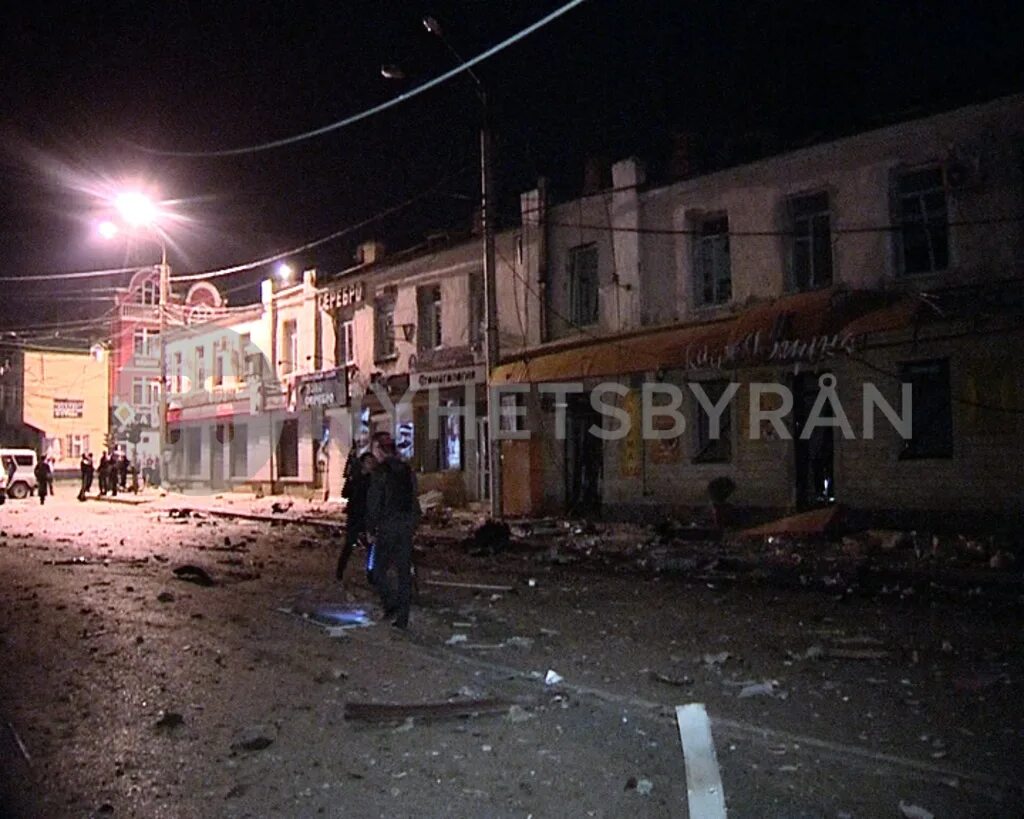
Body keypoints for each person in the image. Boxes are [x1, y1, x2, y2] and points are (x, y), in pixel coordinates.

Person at [365, 431, 421, 629]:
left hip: (388, 526)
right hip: (405, 526)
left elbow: (374, 503)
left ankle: (392, 605)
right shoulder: (407, 470)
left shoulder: (380, 473)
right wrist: (413, 524)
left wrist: (370, 529)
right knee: (403, 572)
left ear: (380, 450)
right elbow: (414, 499)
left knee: (378, 571)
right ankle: (402, 618)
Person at [337, 451, 376, 584]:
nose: (371, 465)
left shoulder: (374, 480)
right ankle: (340, 571)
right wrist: (350, 480)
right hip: (355, 516)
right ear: (363, 464)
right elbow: (345, 493)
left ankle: (371, 572)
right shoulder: (356, 477)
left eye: (372, 462)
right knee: (349, 544)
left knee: (371, 545)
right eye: (369, 462)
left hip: (367, 516)